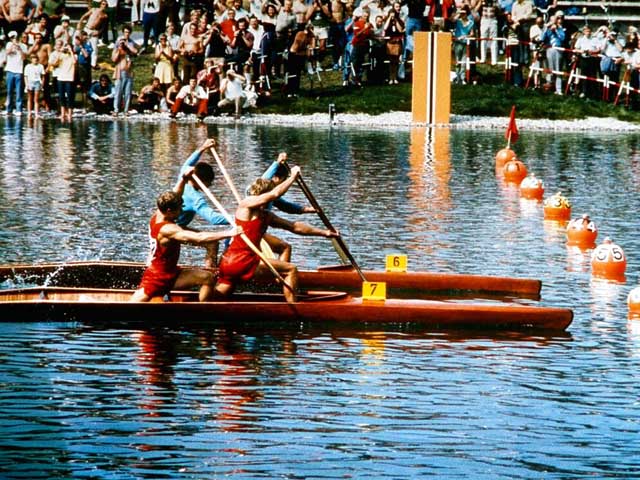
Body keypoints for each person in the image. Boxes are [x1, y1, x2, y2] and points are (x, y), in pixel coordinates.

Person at [214, 165, 337, 303]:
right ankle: (294, 309)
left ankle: (199, 305)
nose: (272, 202)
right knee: (291, 269)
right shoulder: (246, 205)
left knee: (219, 296)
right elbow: (275, 194)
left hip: (227, 262)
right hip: (244, 262)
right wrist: (292, 177)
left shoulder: (266, 215)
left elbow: (295, 227)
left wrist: (325, 233)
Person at [130, 169, 241, 302]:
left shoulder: (159, 213)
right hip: (157, 277)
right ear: (170, 211)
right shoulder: (168, 229)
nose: (182, 211)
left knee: (208, 278)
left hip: (172, 272)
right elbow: (199, 238)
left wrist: (183, 179)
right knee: (132, 304)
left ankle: (202, 311)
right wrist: (229, 233)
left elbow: (176, 194)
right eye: (179, 209)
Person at [175, 138, 231, 267]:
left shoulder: (184, 176)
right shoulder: (195, 198)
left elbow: (188, 163)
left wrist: (203, 148)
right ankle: (210, 276)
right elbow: (213, 219)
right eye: (209, 183)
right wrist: (237, 218)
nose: (209, 186)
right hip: (175, 228)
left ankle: (209, 273)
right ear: (203, 181)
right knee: (212, 243)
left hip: (167, 224)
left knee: (212, 242)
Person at [259, 152, 316, 262]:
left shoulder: (271, 197)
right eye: (283, 181)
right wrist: (277, 163)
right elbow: (265, 179)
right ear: (275, 178)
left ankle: (282, 274)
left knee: (285, 247)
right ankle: (285, 273)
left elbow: (286, 206)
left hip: (259, 233)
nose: (285, 187)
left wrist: (307, 210)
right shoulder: (258, 191)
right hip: (250, 235)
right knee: (285, 247)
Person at [112, 24, 138, 115]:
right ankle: (116, 109)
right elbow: (113, 58)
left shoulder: (131, 42)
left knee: (128, 92)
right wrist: (119, 49)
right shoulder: (118, 42)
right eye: (125, 32)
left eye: (128, 32)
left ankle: (126, 110)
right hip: (120, 70)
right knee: (118, 91)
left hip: (129, 71)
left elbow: (135, 51)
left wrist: (127, 46)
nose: (126, 34)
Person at [49, 38, 76, 120]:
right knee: (61, 97)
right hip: (61, 78)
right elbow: (54, 63)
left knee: (70, 96)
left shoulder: (73, 56)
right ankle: (63, 113)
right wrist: (60, 52)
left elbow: (75, 62)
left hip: (69, 78)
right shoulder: (61, 55)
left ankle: (70, 114)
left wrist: (71, 51)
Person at [540, 10, 565, 95]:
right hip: (549, 49)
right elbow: (542, 38)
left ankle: (559, 89)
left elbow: (562, 38)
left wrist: (556, 30)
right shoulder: (548, 29)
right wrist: (546, 28)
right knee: (550, 69)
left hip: (558, 49)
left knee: (558, 70)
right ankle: (549, 86)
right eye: (551, 20)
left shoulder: (560, 28)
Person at [78, 0, 108, 69]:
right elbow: (84, 16)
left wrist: (99, 32)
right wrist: (80, 23)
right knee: (82, 44)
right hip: (87, 28)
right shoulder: (94, 10)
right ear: (100, 4)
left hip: (94, 31)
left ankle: (93, 64)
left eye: (105, 5)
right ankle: (81, 60)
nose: (104, 6)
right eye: (103, 4)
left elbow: (104, 27)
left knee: (94, 48)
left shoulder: (104, 16)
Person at [4, 30, 27, 116]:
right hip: (10, 70)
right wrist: (13, 45)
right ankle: (8, 109)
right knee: (9, 91)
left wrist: (20, 48)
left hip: (19, 71)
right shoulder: (9, 44)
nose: (13, 39)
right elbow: (7, 52)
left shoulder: (24, 46)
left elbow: (24, 58)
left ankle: (18, 109)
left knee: (18, 92)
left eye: (14, 37)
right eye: (12, 38)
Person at [453, 5, 474, 85]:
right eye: (462, 13)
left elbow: (472, 34)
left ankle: (462, 78)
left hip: (465, 43)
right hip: (458, 43)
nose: (463, 15)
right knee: (458, 61)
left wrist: (465, 36)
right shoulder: (458, 21)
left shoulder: (471, 22)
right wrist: (458, 12)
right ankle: (457, 78)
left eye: (464, 13)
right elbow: (452, 20)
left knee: (464, 62)